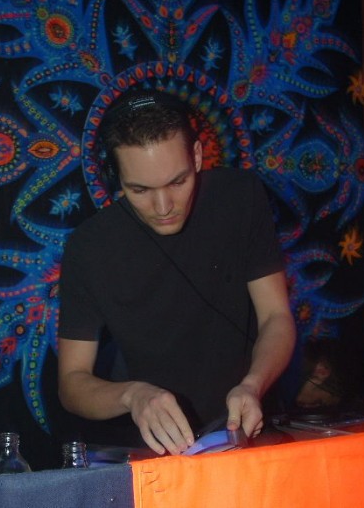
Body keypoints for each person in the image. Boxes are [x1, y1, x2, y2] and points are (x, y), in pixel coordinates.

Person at [57, 90, 296, 456]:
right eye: (140, 190)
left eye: (178, 182)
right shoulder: (89, 247)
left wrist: (253, 384)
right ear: (114, 177)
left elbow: (276, 316)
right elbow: (72, 384)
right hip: (157, 450)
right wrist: (132, 395)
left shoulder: (240, 197)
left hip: (248, 429)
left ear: (197, 156)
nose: (163, 206)